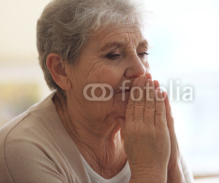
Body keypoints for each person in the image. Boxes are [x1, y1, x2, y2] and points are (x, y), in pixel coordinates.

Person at [0, 0, 194, 182]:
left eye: (142, 53)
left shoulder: (149, 132)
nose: (141, 70)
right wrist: (148, 169)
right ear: (61, 70)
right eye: (114, 55)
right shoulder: (21, 148)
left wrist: (171, 162)